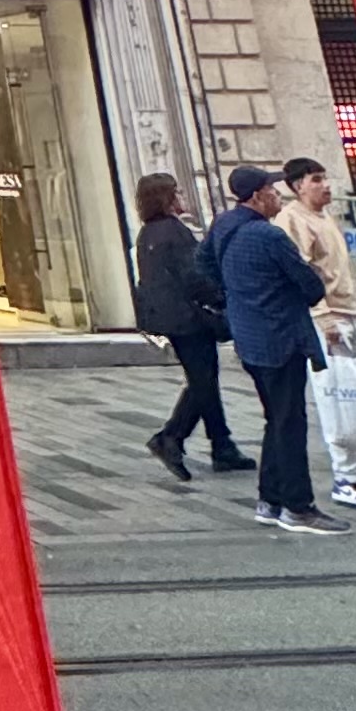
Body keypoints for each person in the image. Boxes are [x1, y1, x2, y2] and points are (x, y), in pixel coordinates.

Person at [214, 166, 332, 535]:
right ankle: (298, 506)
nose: (277, 195)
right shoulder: (270, 236)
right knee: (290, 421)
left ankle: (271, 498)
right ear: (256, 197)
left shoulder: (223, 227)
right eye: (271, 190)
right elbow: (311, 287)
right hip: (281, 337)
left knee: (276, 419)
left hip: (250, 335)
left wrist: (238, 299)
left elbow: (204, 267)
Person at [280, 157, 356, 510]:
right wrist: (322, 317)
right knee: (338, 396)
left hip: (350, 311)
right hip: (327, 318)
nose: (326, 185)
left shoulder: (324, 216)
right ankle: (345, 475)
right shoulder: (292, 221)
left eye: (325, 178)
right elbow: (299, 275)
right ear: (299, 186)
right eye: (317, 179)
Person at [133, 171, 247, 481]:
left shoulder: (148, 233)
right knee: (202, 381)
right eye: (177, 192)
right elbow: (193, 276)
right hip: (189, 319)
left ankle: (221, 444)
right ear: (167, 198)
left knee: (203, 378)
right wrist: (220, 298)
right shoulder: (174, 232)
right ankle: (172, 436)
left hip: (170, 318)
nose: (182, 197)